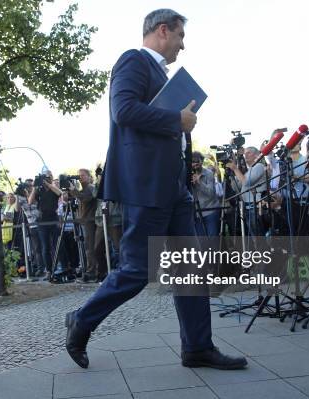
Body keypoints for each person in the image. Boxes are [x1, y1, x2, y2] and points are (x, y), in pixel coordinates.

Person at [65, 9, 246, 370]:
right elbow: (124, 110)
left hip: (173, 187)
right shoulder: (132, 61)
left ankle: (197, 347)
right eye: (180, 36)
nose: (183, 45)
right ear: (163, 31)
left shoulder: (159, 74)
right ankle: (81, 321)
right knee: (136, 270)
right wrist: (176, 119)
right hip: (145, 186)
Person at [28, 170, 63, 279]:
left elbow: (60, 193)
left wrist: (48, 184)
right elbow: (30, 201)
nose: (45, 179)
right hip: (42, 220)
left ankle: (59, 267)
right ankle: (48, 270)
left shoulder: (53, 189)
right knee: (45, 246)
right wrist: (34, 187)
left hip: (53, 218)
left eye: (48, 177)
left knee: (56, 244)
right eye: (45, 177)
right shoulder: (39, 190)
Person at [227, 146, 267, 236]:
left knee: (258, 238)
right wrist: (232, 174)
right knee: (254, 238)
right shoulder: (249, 170)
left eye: (248, 153)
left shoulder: (259, 166)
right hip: (248, 207)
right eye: (245, 153)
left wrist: (235, 169)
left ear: (257, 155)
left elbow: (246, 182)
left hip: (255, 207)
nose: (245, 155)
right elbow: (236, 188)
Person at [68, 169, 97, 282]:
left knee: (89, 248)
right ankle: (89, 270)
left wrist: (73, 190)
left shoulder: (90, 187)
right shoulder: (83, 189)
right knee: (87, 247)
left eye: (83, 175)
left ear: (89, 176)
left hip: (90, 221)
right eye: (79, 176)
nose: (80, 177)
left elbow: (85, 198)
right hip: (85, 221)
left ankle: (91, 272)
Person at [191, 151, 221, 237]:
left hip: (210, 211)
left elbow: (211, 193)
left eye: (197, 161)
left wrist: (199, 183)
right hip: (196, 213)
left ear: (202, 161)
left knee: (212, 238)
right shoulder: (187, 174)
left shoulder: (209, 173)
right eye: (193, 161)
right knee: (201, 241)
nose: (195, 164)